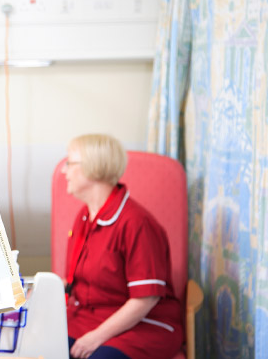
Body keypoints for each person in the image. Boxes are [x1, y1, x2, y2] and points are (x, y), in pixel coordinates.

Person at [61, 134, 183, 359]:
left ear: (92, 168)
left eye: (69, 163)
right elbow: (77, 281)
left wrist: (96, 337)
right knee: (38, 347)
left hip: (143, 324)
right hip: (89, 318)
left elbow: (145, 299)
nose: (63, 171)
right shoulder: (85, 217)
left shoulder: (137, 224)